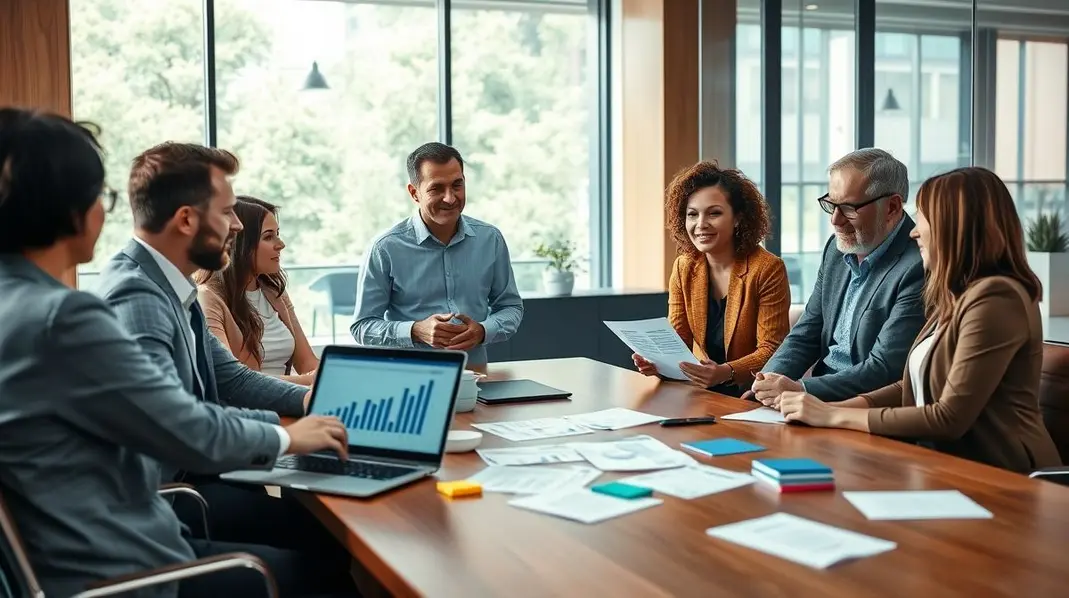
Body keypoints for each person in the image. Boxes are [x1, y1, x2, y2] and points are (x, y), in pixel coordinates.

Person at [0, 108, 351, 597]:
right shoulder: (67, 317)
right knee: (335, 574)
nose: (235, 227)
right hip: (127, 570)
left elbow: (221, 383)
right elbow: (182, 427)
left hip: (83, 551)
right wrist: (291, 437)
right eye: (102, 197)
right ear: (72, 209)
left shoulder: (17, 303)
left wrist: (305, 411)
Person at [93, 142, 354, 591]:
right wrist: (287, 436)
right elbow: (174, 422)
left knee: (321, 533)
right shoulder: (138, 296)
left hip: (187, 485)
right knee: (323, 563)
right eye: (229, 212)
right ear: (187, 220)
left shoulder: (169, 286)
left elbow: (230, 377)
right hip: (166, 503)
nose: (237, 226)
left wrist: (309, 399)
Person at [777, 167, 1061, 474]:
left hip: (1004, 477)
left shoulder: (996, 298)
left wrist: (833, 417)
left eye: (923, 219)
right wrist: (829, 410)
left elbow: (948, 417)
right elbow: (909, 386)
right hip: (942, 465)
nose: (914, 232)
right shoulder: (958, 293)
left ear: (956, 227)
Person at [747, 148, 926, 404]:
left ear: (892, 207)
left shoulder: (916, 265)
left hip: (861, 407)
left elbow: (885, 368)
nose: (835, 220)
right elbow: (807, 331)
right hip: (809, 399)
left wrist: (803, 390)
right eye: (831, 204)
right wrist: (767, 383)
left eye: (849, 208)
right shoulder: (836, 248)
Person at [351, 142, 523, 367]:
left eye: (457, 185)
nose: (450, 198)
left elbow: (511, 307)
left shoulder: (490, 239)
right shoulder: (385, 248)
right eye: (437, 188)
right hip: (409, 379)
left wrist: (483, 330)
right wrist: (414, 331)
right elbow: (362, 326)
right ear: (414, 193)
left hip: (476, 377)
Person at [633, 161, 790, 396]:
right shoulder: (684, 266)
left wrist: (726, 371)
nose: (700, 225)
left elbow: (773, 349)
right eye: (692, 214)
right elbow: (679, 339)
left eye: (714, 213)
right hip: (701, 391)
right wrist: (657, 362)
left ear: (737, 218)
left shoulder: (767, 268)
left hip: (751, 394)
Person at [196, 196, 318, 386]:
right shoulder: (207, 298)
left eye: (278, 233)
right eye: (269, 236)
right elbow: (231, 379)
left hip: (290, 401)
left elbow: (307, 362)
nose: (281, 244)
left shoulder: (274, 291)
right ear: (239, 244)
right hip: (251, 410)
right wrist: (305, 381)